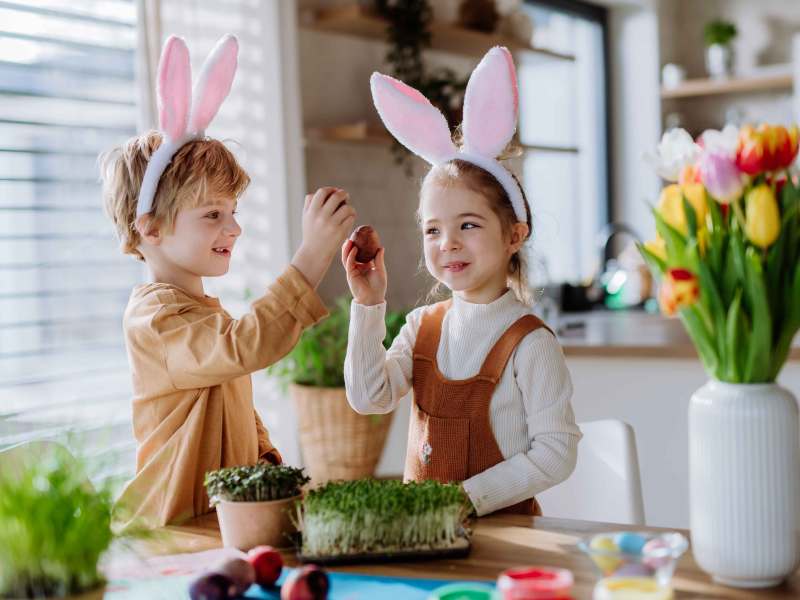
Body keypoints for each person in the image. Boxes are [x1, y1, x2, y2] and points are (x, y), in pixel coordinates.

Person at [101, 35, 355, 528]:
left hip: (219, 522)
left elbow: (233, 403)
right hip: (173, 527)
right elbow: (243, 349)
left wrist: (268, 467)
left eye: (233, 211)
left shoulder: (199, 312)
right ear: (149, 227)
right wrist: (312, 255)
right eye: (213, 213)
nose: (233, 228)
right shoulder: (154, 319)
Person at [342, 47, 581, 516]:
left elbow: (556, 454)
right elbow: (368, 398)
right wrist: (369, 305)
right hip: (426, 542)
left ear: (515, 234)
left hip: (507, 541)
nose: (447, 243)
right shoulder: (422, 327)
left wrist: (462, 501)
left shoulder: (529, 343)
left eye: (468, 225)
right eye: (433, 230)